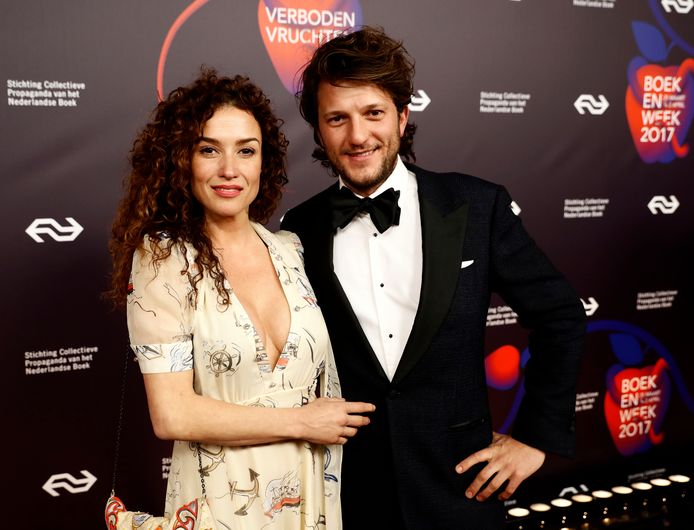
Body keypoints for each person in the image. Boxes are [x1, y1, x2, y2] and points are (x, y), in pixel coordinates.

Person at [281, 27, 586, 529]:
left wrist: (536, 438)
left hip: (460, 487)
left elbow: (560, 315)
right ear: (318, 129)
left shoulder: (476, 206)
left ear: (402, 117)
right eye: (337, 118)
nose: (357, 136)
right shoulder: (296, 230)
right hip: (347, 497)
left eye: (373, 113)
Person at [107, 68, 375, 529]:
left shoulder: (289, 249)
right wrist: (301, 422)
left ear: (263, 162)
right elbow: (172, 415)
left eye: (246, 150)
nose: (229, 169)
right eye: (209, 149)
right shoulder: (163, 259)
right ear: (181, 160)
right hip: (222, 504)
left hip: (309, 496)